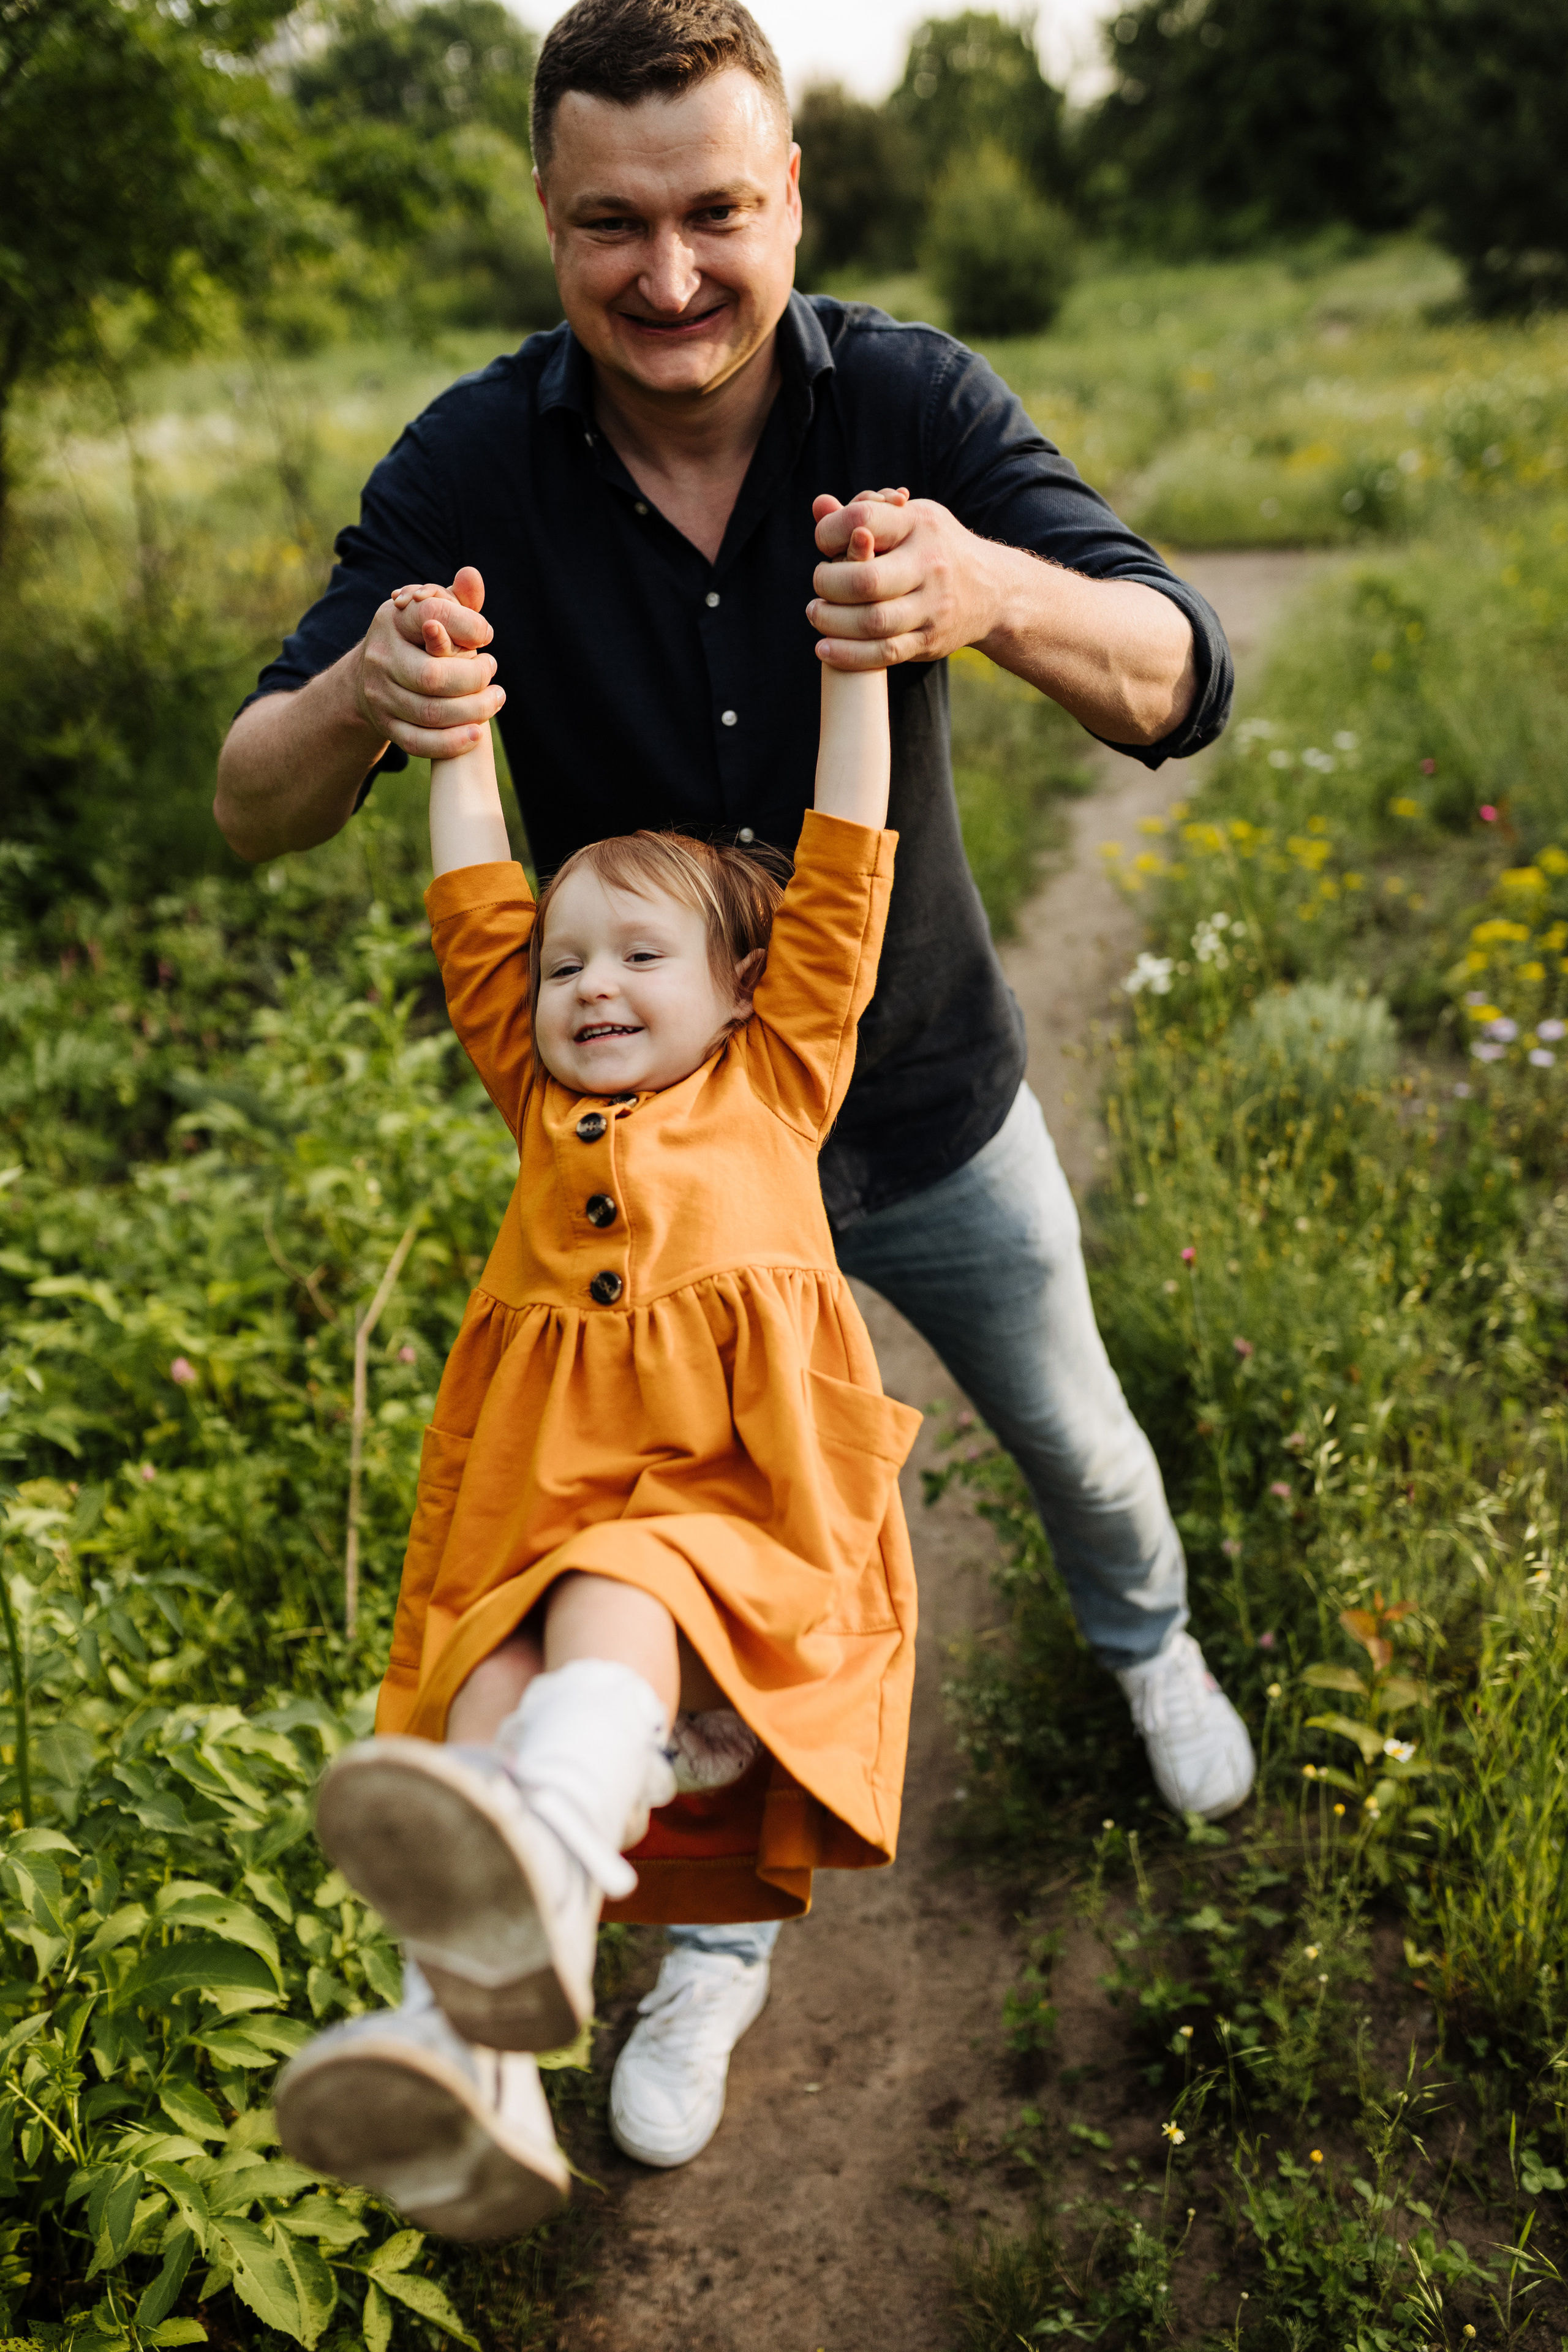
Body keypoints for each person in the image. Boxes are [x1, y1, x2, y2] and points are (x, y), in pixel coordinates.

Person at [217, 0, 1253, 2177]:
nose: (669, 272)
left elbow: (1180, 672)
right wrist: (362, 694)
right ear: (548, 215)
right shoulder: (471, 464)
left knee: (1073, 1434)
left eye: (717, 214)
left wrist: (981, 586)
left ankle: (1146, 1647)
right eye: (614, 223)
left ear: (793, 196)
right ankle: (696, 1961)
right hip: (654, 1211)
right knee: (664, 1587)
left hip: (927, 1099)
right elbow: (251, 795)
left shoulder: (906, 397)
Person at [276, 548, 917, 2237]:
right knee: (477, 1704)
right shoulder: (536, 1094)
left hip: (721, 1489)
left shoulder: (777, 1081)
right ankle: (463, 2053)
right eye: (568, 968)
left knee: (622, 1598)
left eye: (641, 957)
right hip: (534, 1488)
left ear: (739, 991)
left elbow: (845, 866)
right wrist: (456, 722)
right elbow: (476, 894)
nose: (593, 988)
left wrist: (856, 669)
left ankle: (555, 1866)